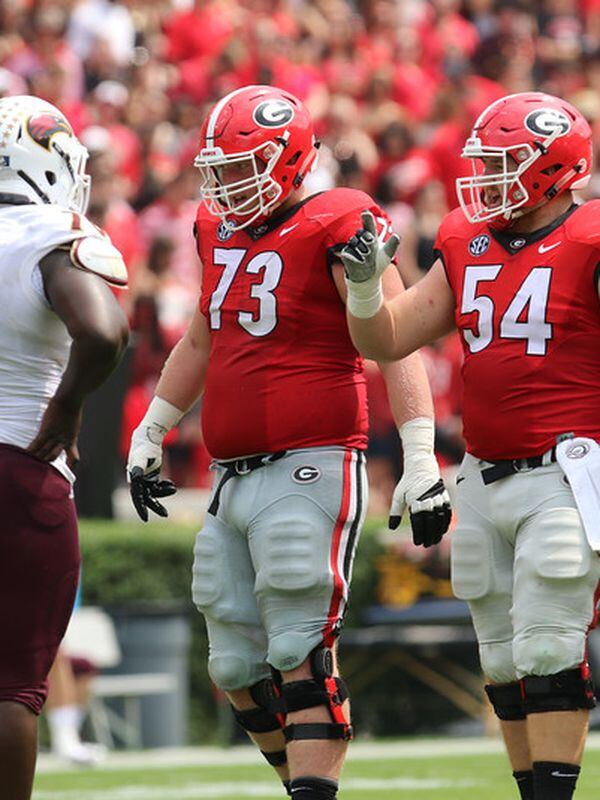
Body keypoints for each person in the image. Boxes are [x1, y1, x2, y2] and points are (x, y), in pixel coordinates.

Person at [127, 84, 451, 800]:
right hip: (232, 475)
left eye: (242, 166)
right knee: (234, 667)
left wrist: (421, 452)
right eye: (220, 169)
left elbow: (395, 341)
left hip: (315, 457)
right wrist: (154, 426)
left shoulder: (340, 217)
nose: (227, 184)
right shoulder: (217, 230)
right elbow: (203, 337)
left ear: (290, 157)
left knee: (300, 648)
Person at [341, 91, 600, 800]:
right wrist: (365, 290)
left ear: (557, 166)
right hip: (483, 473)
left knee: (548, 642)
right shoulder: (466, 237)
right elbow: (389, 338)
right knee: (502, 657)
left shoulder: (592, 235)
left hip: (569, 467)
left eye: (507, 162)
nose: (488, 177)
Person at [0, 95, 129, 800]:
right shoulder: (48, 231)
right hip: (19, 463)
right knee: (14, 685)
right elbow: (105, 331)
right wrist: (69, 405)